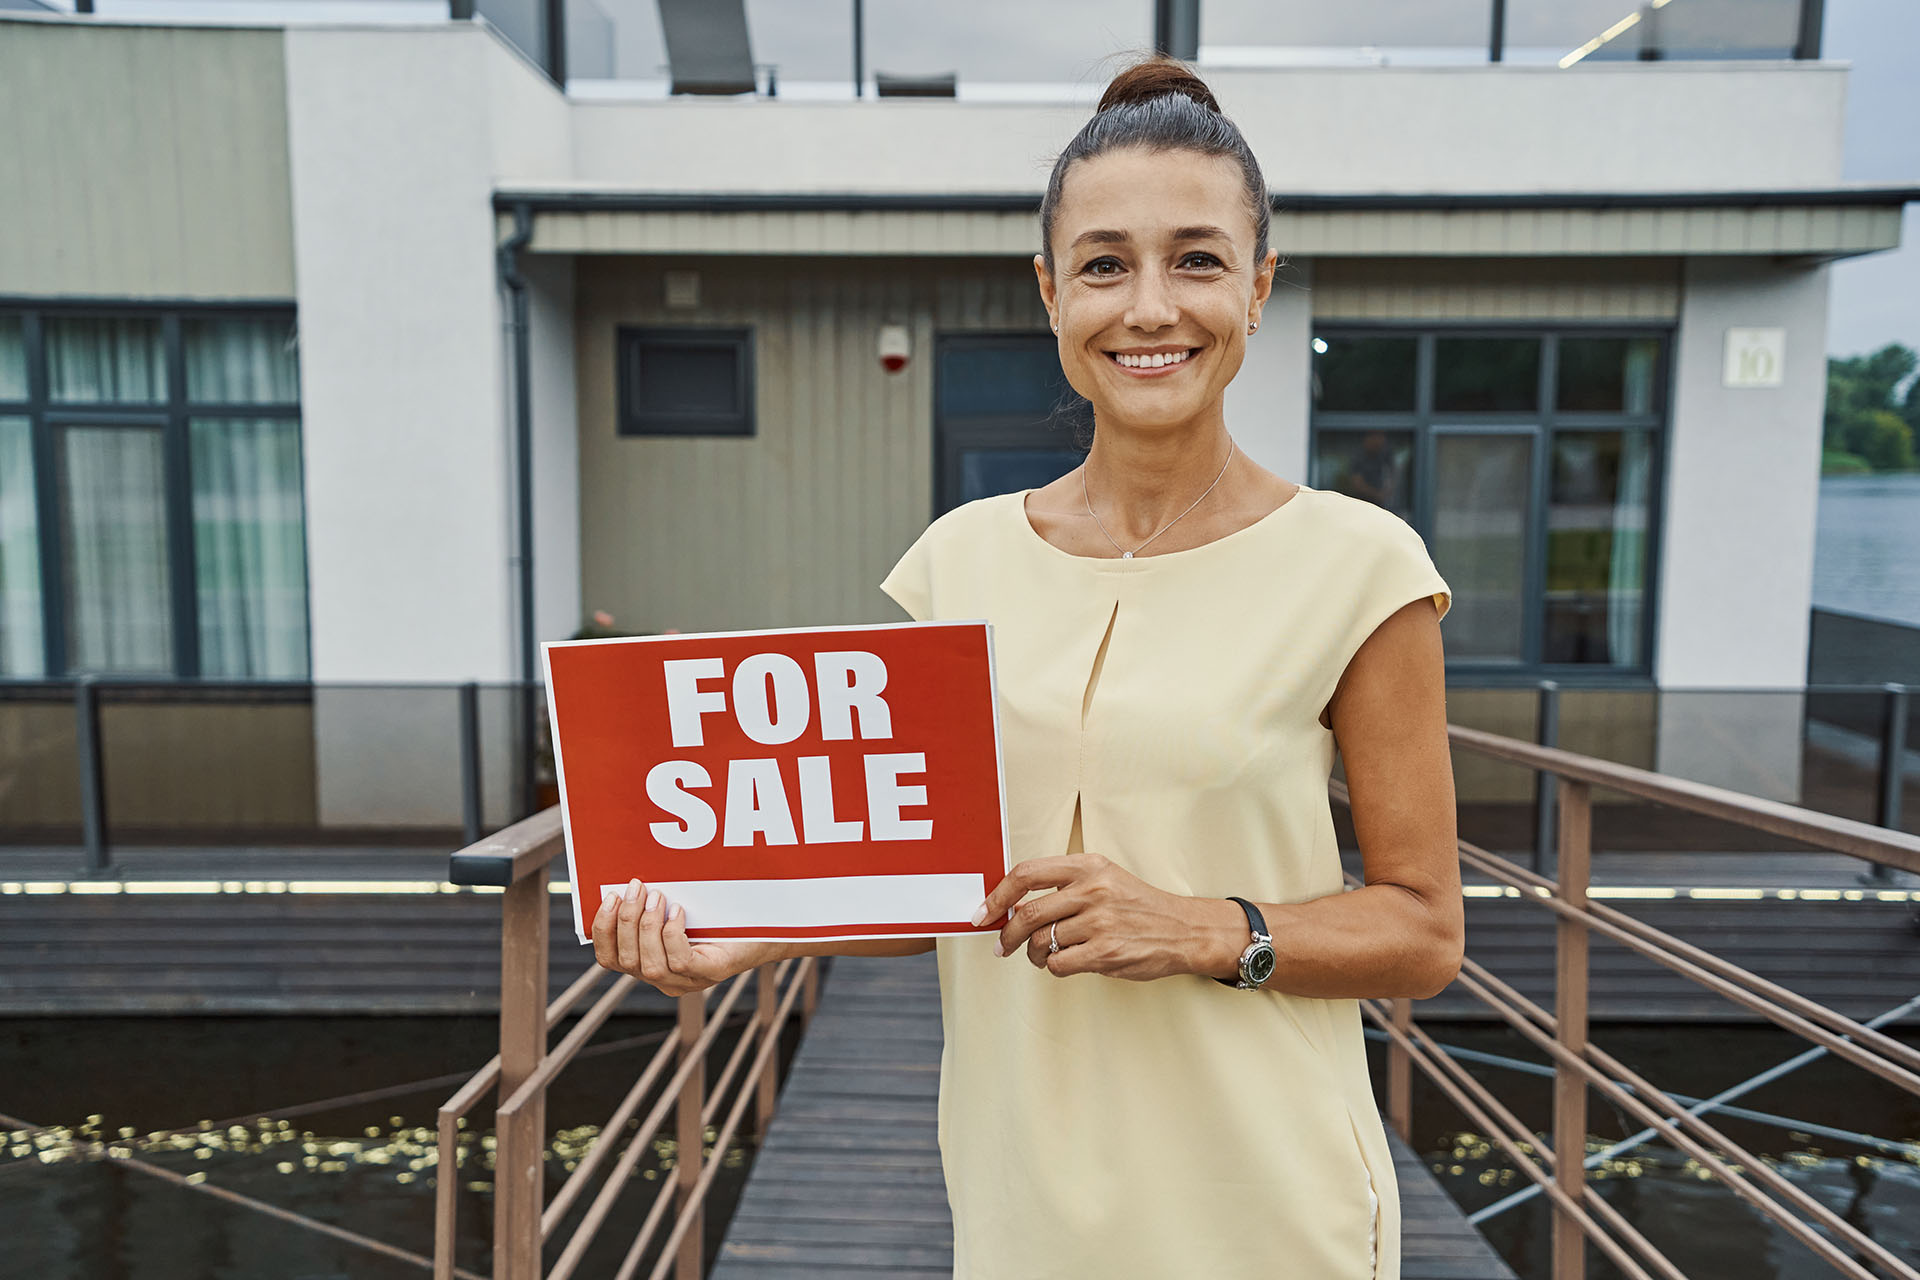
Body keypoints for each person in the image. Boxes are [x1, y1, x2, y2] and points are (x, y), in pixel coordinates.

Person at [591, 52, 1463, 1280]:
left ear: (1259, 288)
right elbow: (933, 880)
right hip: (1022, 1214)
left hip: (1271, 1208)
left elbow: (1425, 930)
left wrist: (1207, 926)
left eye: (1197, 259)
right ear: (1051, 294)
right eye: (1106, 264)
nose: (1150, 307)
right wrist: (752, 928)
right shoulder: (959, 562)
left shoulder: (1361, 564)